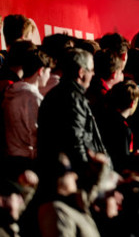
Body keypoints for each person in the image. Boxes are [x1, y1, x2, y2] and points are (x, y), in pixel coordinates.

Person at [37, 48, 108, 177]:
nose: (93, 74)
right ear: (81, 72)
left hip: (56, 168)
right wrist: (87, 171)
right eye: (91, 70)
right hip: (70, 172)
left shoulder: (54, 94)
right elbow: (75, 139)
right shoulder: (74, 98)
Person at [2, 49, 52, 161]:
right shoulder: (33, 97)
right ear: (41, 71)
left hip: (10, 155)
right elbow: (34, 132)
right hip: (28, 158)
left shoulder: (11, 91)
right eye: (48, 72)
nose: (49, 77)